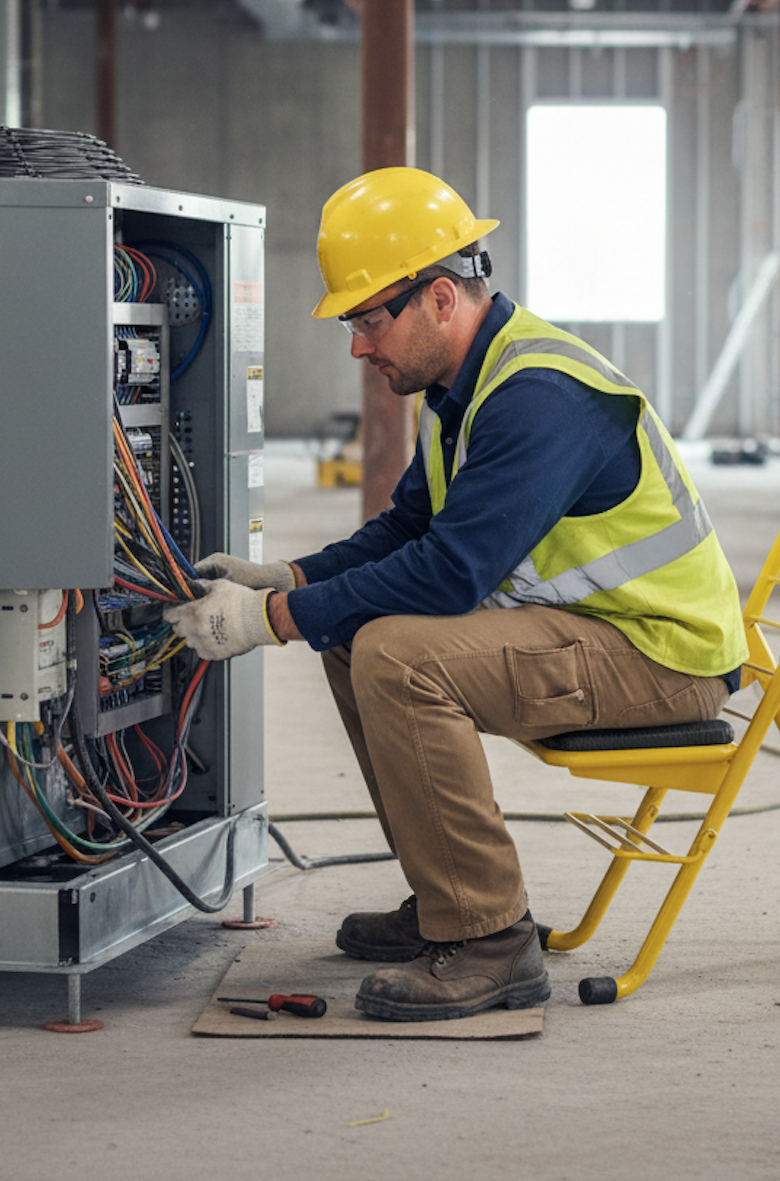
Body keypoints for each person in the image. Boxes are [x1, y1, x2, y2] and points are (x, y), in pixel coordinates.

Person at [166, 167, 747, 1023]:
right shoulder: (465, 390)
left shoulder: (538, 398)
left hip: (663, 655)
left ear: (440, 298)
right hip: (598, 635)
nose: (359, 346)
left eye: (369, 319)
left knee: (396, 652)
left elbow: (448, 575)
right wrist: (287, 580)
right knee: (351, 632)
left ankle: (489, 940)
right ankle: (448, 903)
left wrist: (268, 622)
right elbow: (404, 531)